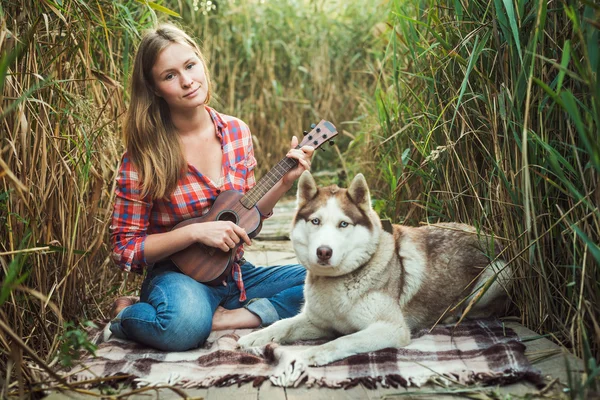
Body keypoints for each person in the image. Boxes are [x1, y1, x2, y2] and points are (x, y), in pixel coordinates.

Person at [108, 23, 314, 352]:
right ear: (155, 88)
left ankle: (232, 318)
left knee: (328, 277)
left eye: (190, 65)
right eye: (170, 75)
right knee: (182, 328)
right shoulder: (143, 155)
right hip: (178, 277)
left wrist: (285, 183)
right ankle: (127, 315)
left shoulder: (236, 132)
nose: (188, 81)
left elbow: (246, 214)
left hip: (234, 273)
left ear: (201, 63)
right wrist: (195, 233)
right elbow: (125, 248)